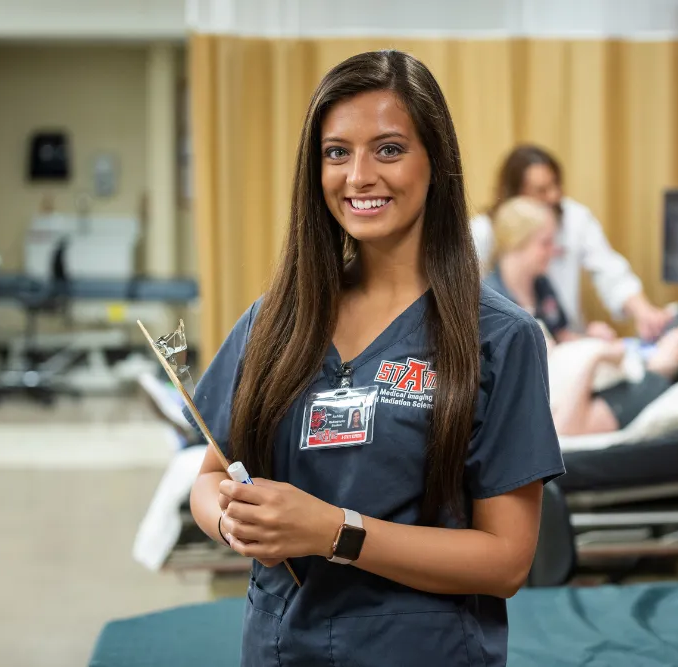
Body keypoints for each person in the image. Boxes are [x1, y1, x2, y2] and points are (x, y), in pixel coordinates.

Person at [186, 50, 564, 667]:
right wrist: (233, 522)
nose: (359, 175)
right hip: (279, 649)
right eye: (337, 152)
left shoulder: (499, 338)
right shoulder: (276, 320)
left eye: (388, 149)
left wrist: (336, 532)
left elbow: (506, 561)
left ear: (436, 161)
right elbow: (211, 474)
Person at [471, 144, 672, 340]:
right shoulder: (483, 233)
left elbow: (609, 270)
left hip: (564, 339)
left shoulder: (574, 220)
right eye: (541, 190)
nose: (554, 196)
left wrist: (642, 311)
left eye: (556, 185)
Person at [551, 326, 678, 436]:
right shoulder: (646, 380)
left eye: (676, 333)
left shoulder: (647, 391)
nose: (666, 335)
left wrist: (596, 358)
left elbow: (565, 428)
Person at [482, 195, 616, 343]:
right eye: (545, 243)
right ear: (516, 243)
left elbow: (560, 336)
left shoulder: (541, 284)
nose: (552, 251)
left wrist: (589, 338)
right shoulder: (490, 301)